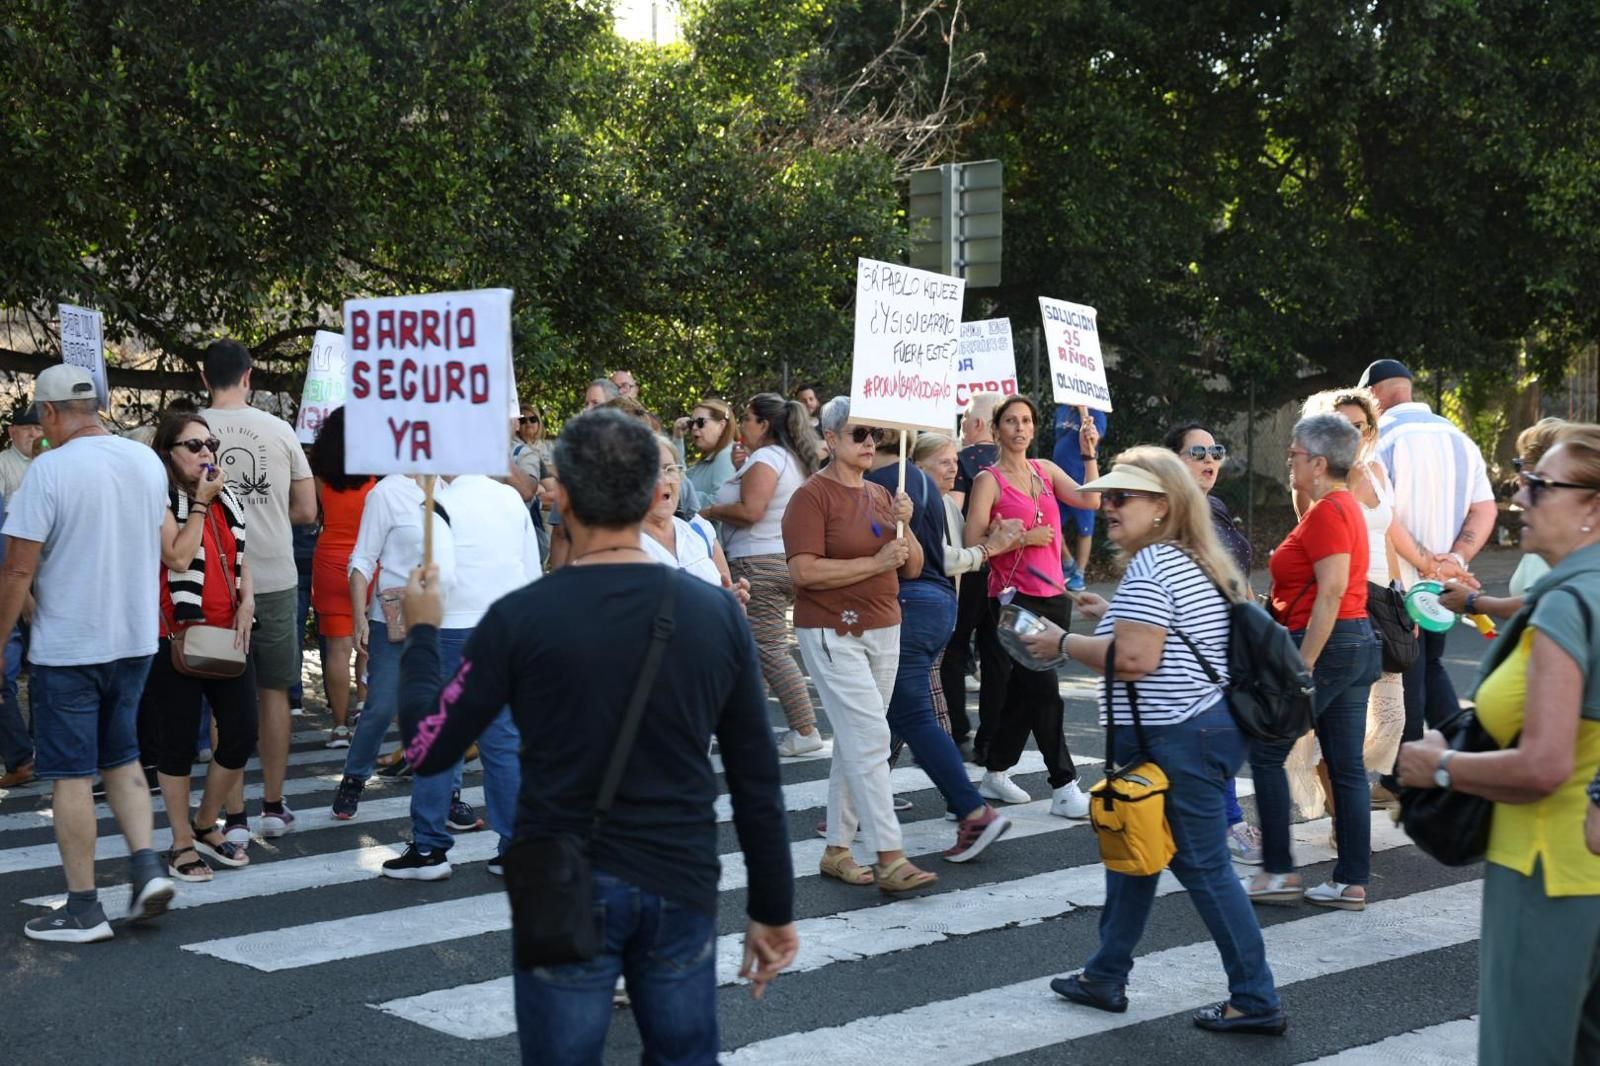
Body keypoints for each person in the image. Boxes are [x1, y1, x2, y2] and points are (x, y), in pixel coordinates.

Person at [395, 409, 797, 1063]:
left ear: (563, 498)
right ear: (652, 493)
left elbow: (426, 749)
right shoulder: (714, 614)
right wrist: (773, 910)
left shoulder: (519, 617)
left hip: (562, 882)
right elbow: (757, 781)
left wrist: (419, 633)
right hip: (679, 878)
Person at [1023, 447, 1286, 1037]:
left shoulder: (1153, 565)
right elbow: (1160, 634)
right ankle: (1105, 973)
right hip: (1195, 730)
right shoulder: (1189, 558)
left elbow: (1139, 658)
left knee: (1203, 867)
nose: (1107, 507)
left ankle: (1256, 997)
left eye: (1121, 498)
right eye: (1107, 496)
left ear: (1162, 506)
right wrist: (1111, 613)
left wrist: (1064, 643)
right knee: (1133, 849)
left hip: (1180, 736)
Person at [1397, 423, 1600, 1066]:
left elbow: (1543, 765)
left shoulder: (1571, 604)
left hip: (1548, 870)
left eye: (1539, 485)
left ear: (1592, 507)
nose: (1520, 498)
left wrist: (1442, 767)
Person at [1, 365, 175, 942]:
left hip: (69, 645)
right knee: (122, 758)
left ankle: (83, 907)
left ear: (49, 413)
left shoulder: (47, 472)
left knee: (71, 775)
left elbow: (19, 570)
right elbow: (161, 543)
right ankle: (148, 866)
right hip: (133, 639)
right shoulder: (145, 461)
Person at [786, 397, 936, 891]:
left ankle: (837, 850)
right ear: (830, 440)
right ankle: (890, 855)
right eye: (858, 434)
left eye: (874, 434)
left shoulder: (880, 493)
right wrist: (875, 563)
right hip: (834, 629)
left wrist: (906, 524)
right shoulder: (811, 497)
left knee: (857, 738)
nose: (870, 442)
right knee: (871, 737)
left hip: (884, 625)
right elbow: (804, 573)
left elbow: (911, 566)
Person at [1244, 414, 1381, 910]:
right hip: (1351, 643)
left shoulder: (1330, 512)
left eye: (1295, 455)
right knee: (1345, 767)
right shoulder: (1337, 507)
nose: (1289, 462)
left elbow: (1332, 593)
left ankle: (1279, 873)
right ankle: (1350, 880)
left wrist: (1301, 665)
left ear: (1319, 463)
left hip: (1328, 643)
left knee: (1266, 749)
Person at [378, 472, 540, 880]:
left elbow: (442, 577)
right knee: (502, 742)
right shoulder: (508, 498)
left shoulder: (438, 504)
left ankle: (430, 848)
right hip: (505, 625)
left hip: (451, 630)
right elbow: (530, 570)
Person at [866, 429, 1015, 861]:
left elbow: (894, 549)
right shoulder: (921, 486)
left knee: (909, 713)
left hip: (912, 605)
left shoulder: (887, 483)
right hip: (939, 607)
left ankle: (972, 810)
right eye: (946, 460)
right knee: (899, 713)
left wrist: (986, 550)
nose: (955, 468)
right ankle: (855, 808)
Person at [1360, 359, 1496, 793]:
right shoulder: (1459, 440)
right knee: (1430, 664)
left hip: (1399, 580)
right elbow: (1485, 508)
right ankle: (1453, 757)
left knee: (1406, 675)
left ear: (1376, 394)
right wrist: (1454, 558)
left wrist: (1423, 562)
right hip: (1445, 583)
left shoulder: (1382, 441)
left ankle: (1404, 778)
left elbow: (1384, 514)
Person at [199, 340, 316, 838]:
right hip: (274, 576)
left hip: (215, 581)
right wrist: (266, 517)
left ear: (204, 378)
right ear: (249, 376)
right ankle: (273, 805)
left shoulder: (189, 432)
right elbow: (308, 512)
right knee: (273, 691)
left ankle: (235, 815)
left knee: (224, 694)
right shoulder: (280, 430)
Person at [963, 395, 1098, 816]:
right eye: (1011, 421)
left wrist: (1089, 453)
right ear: (997, 429)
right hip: (1012, 597)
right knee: (1045, 691)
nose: (1020, 428)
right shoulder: (989, 480)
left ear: (1034, 429)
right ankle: (1064, 783)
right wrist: (1021, 539)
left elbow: (1090, 500)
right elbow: (971, 544)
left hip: (1054, 596)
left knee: (1025, 691)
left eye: (1026, 421)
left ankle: (995, 770)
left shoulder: (1045, 471)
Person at [141, 411, 256, 881]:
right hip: (176, 637)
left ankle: (207, 821)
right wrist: (201, 504)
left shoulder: (227, 495)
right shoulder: (158, 499)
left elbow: (242, 557)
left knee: (242, 734)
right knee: (178, 745)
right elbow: (178, 555)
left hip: (229, 633)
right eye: (193, 445)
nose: (206, 451)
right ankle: (181, 843)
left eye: (210, 443)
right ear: (168, 454)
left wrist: (249, 599)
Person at [330, 473, 456, 822]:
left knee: (445, 708)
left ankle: (451, 793)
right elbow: (362, 559)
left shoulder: (456, 490)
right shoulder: (387, 492)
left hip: (445, 615)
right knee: (381, 705)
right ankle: (354, 777)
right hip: (393, 618)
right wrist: (359, 618)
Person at [1303, 390, 1410, 803]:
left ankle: (1341, 774)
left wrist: (1403, 600)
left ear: (1370, 431)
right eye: (1339, 426)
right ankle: (1339, 800)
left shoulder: (1378, 472)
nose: (1349, 433)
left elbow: (1386, 540)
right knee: (1337, 716)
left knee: (1390, 719)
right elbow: (1314, 539)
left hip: (1384, 601)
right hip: (1342, 602)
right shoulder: (1317, 479)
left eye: (1357, 426)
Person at [703, 393, 823, 757]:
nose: (742, 425)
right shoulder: (786, 459)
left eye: (747, 418)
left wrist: (710, 511)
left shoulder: (768, 458)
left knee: (768, 647)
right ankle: (744, 726)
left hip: (758, 562)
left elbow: (751, 510)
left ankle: (805, 729)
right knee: (752, 647)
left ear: (764, 424)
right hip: (778, 559)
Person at [1164, 422, 1261, 864]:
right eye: (1197, 452)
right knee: (1214, 732)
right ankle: (1228, 821)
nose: (1209, 460)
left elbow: (1237, 569)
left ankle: (1184, 814)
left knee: (1212, 734)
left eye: (1215, 451)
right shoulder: (1168, 515)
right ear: (1174, 461)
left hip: (1232, 637)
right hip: (1193, 642)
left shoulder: (1214, 506)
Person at [915, 432, 1023, 763]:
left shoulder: (946, 501)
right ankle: (944, 749)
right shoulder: (920, 500)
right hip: (925, 610)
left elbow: (961, 545)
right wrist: (987, 550)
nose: (953, 469)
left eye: (954, 461)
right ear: (919, 466)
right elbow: (941, 557)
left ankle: (948, 747)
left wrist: (991, 537)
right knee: (913, 700)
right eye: (944, 462)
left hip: (947, 602)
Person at [1441, 417, 1571, 621]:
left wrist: (1473, 602)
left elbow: (1539, 605)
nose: (1519, 487)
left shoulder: (1557, 534)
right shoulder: (1557, 529)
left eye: (1520, 465)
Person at [309, 408, 376, 749]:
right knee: (366, 640)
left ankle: (338, 726)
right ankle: (364, 707)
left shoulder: (319, 470)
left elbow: (313, 512)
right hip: (368, 559)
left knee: (336, 648)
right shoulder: (376, 470)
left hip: (330, 558)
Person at [947, 392, 1005, 761]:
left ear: (979, 424)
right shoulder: (1016, 464)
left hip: (972, 567)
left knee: (955, 648)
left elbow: (954, 511)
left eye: (965, 420)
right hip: (1008, 571)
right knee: (996, 654)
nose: (961, 427)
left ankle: (956, 732)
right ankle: (991, 738)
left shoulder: (963, 462)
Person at [643, 436, 746, 600]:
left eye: (670, 469)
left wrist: (732, 604)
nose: (663, 480)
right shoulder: (620, 546)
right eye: (649, 472)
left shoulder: (699, 531)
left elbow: (726, 601)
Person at [1052, 405, 1108, 592]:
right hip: (1060, 478)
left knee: (1085, 529)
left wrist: (1083, 411)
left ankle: (1080, 574)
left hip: (1082, 479)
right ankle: (1068, 563)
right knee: (1052, 523)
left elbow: (1092, 440)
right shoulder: (1062, 410)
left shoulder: (1096, 413)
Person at [674, 398, 739, 504]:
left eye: (700, 422)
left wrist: (680, 495)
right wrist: (678, 437)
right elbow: (680, 479)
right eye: (691, 423)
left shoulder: (726, 456)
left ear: (721, 426)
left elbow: (720, 503)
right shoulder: (710, 459)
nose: (694, 427)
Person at [0, 407, 42, 505]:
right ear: (12, 432)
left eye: (38, 429)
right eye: (26, 428)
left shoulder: (52, 462)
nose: (33, 434)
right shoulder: (2, 463)